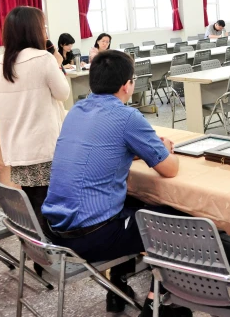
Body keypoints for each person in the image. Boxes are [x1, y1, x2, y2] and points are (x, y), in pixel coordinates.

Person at [41, 51, 185, 317]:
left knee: (133, 205)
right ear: (127, 85)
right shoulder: (127, 117)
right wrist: (164, 149)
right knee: (175, 222)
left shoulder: (76, 110)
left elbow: (103, 147)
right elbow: (170, 169)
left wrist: (139, 148)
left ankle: (117, 286)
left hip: (54, 230)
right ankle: (157, 305)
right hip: (92, 238)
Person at [0, 6, 69, 230]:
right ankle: (49, 256)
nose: (45, 31)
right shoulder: (43, 58)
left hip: (17, 148)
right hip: (43, 147)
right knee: (49, 205)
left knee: (34, 202)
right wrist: (57, 62)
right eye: (43, 27)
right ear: (33, 30)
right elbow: (63, 93)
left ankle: (38, 254)